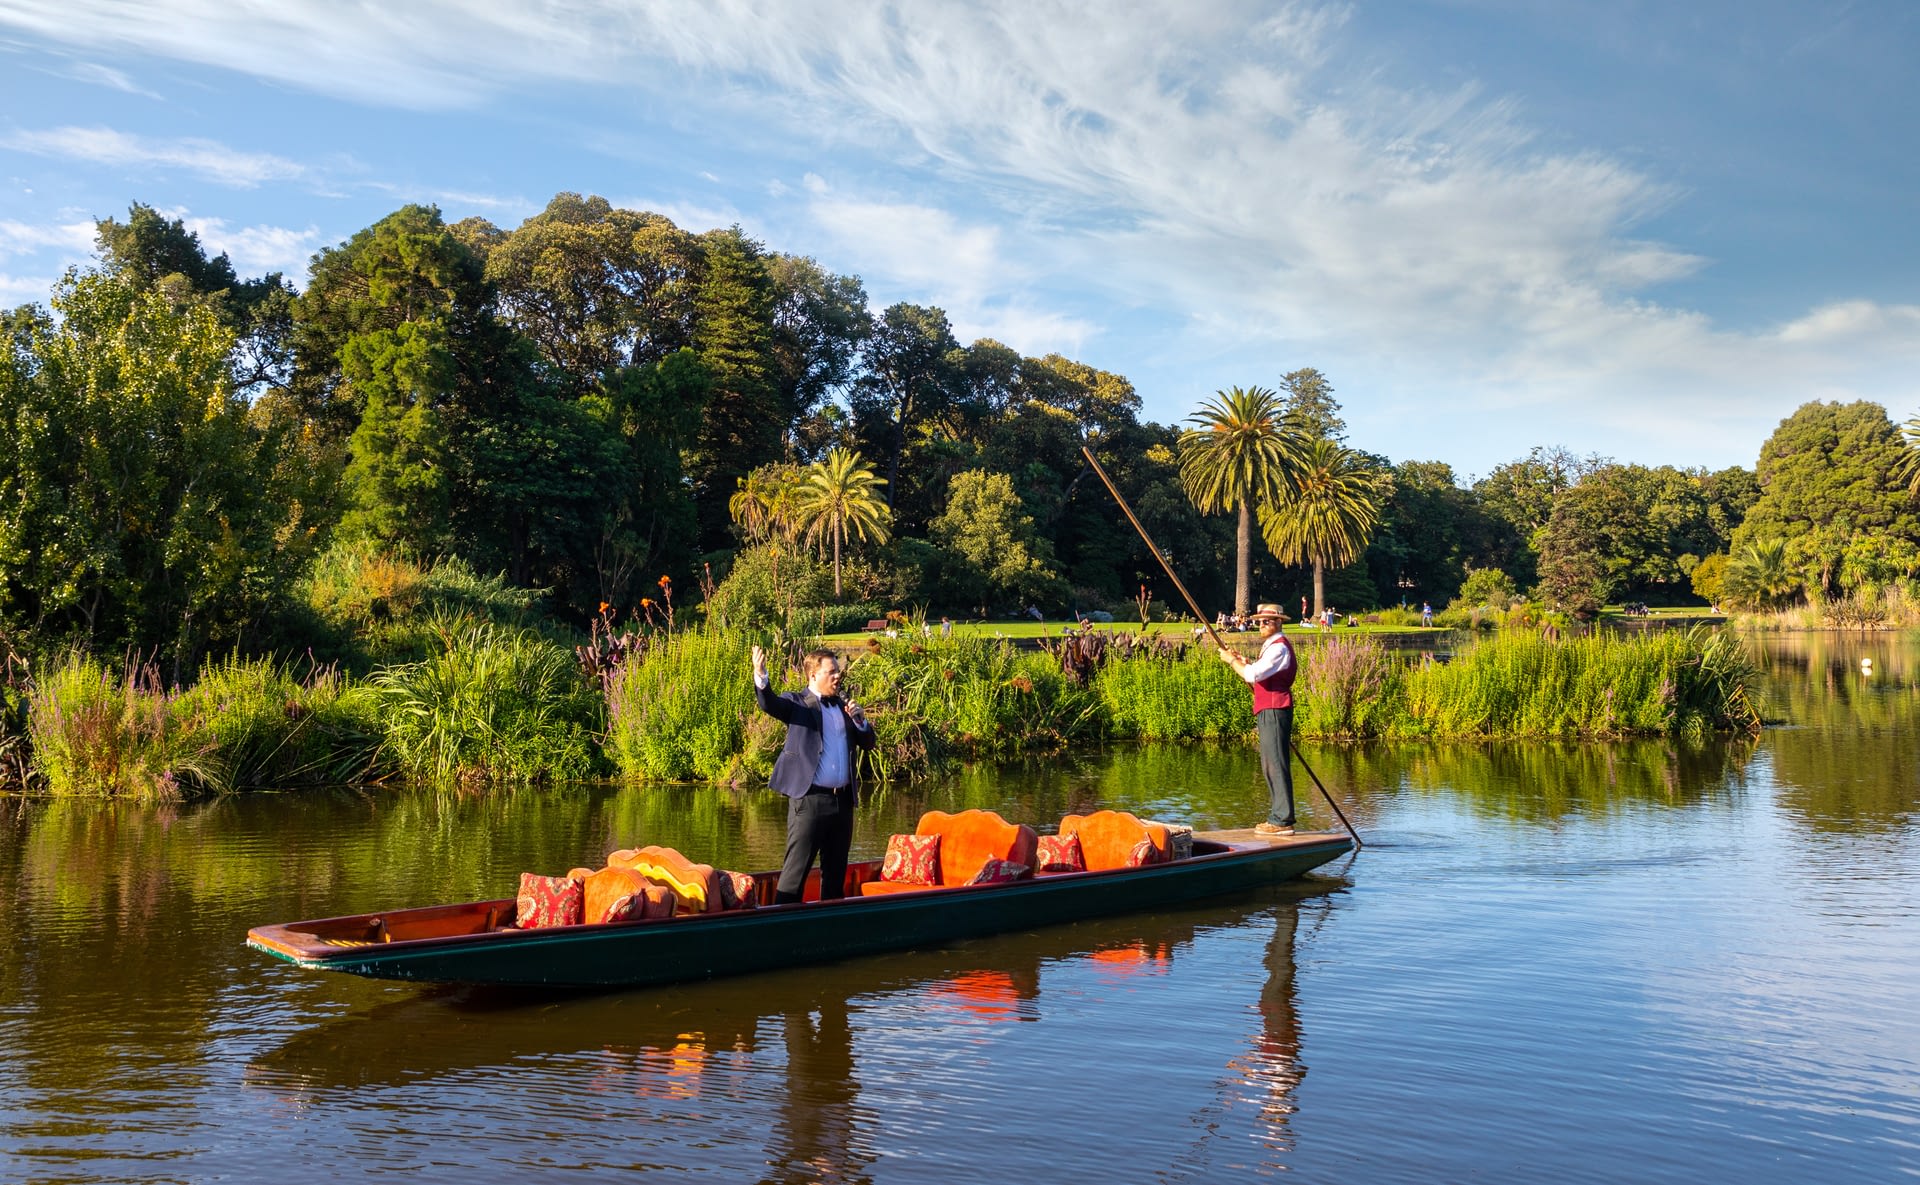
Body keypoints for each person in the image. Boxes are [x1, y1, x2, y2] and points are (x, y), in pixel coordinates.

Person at [752, 645, 877, 903]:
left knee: (835, 878)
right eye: (831, 672)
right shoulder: (798, 704)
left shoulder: (844, 708)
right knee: (794, 878)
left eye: (838, 671)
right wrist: (760, 675)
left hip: (842, 803)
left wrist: (861, 722)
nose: (837, 676)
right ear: (813, 676)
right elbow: (769, 704)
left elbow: (868, 743)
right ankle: (784, 933)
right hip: (809, 802)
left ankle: (829, 934)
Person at [1216, 602, 1297, 837]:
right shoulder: (1271, 646)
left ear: (1279, 622)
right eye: (1259, 621)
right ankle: (1279, 817)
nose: (1261, 624)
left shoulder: (1278, 648)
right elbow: (1256, 670)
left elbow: (1252, 675)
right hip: (1269, 709)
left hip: (1275, 708)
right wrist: (1240, 659)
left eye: (1266, 621)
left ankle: (1282, 820)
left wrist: (1231, 661)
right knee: (1270, 764)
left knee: (1275, 764)